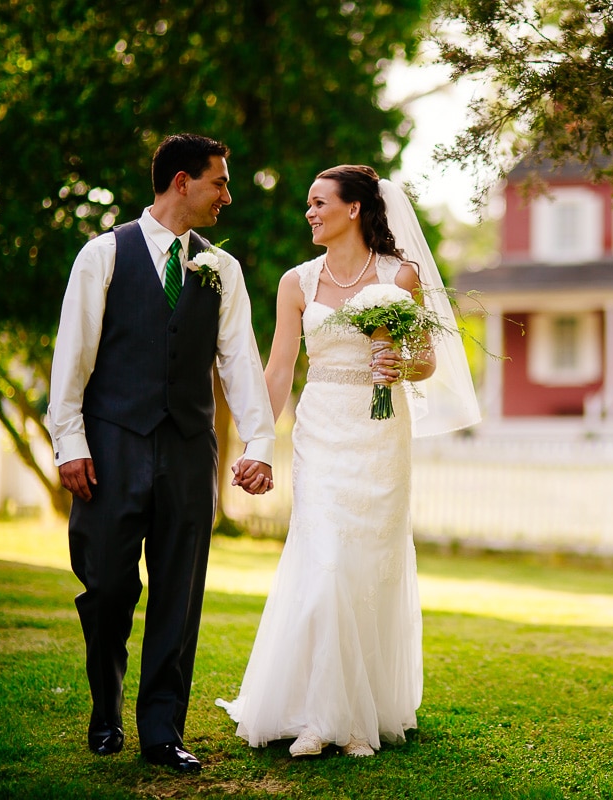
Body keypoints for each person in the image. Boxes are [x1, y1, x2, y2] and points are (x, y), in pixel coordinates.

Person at [217, 166, 479, 757]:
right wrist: (260, 442)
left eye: (318, 202)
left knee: (367, 565)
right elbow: (280, 368)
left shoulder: (399, 276)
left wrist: (398, 367)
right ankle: (319, 717)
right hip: (321, 430)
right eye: (307, 204)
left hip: (381, 434)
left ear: (355, 208)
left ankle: (362, 718)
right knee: (327, 561)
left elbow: (426, 363)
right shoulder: (297, 282)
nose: (308, 213)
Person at [48, 133, 276, 774]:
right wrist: (70, 443)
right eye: (219, 183)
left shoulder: (220, 269)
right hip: (111, 447)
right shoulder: (102, 255)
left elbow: (240, 364)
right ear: (182, 181)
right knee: (107, 587)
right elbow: (73, 359)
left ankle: (161, 730)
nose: (226, 196)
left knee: (180, 591)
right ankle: (105, 706)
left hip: (187, 449)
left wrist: (259, 442)